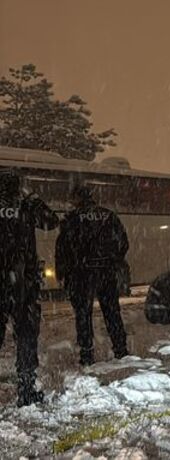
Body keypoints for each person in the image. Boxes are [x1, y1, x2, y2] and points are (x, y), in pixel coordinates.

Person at [0, 170, 58, 406]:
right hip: (22, 280)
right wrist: (32, 197)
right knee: (25, 333)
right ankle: (26, 388)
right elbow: (51, 222)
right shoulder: (26, 205)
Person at [56, 184, 129, 366]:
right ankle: (121, 349)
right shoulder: (109, 215)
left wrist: (63, 272)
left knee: (83, 315)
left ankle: (87, 355)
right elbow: (123, 243)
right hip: (106, 272)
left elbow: (62, 249)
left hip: (82, 274)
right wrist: (112, 260)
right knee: (112, 312)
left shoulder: (72, 219)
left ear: (77, 199)